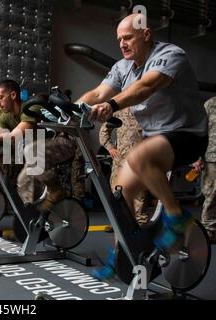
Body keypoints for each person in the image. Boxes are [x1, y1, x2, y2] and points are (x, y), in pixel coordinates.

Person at [78, 13, 208, 280]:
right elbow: (99, 93)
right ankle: (124, 254)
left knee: (139, 157)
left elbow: (147, 86)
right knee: (120, 196)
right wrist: (72, 108)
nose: (122, 44)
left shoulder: (171, 54)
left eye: (128, 38)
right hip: (155, 140)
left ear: (146, 34)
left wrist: (112, 105)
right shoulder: (122, 67)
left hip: (187, 135)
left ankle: (176, 216)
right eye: (119, 40)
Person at [99, 108, 149, 224]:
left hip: (140, 163)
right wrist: (110, 147)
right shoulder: (118, 110)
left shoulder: (146, 110)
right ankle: (121, 228)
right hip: (120, 163)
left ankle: (141, 232)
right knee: (118, 197)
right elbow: (104, 130)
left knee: (139, 200)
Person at [199, 97, 216, 243]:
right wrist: (197, 158)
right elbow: (200, 132)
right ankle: (208, 231)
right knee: (211, 194)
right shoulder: (210, 104)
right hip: (212, 157)